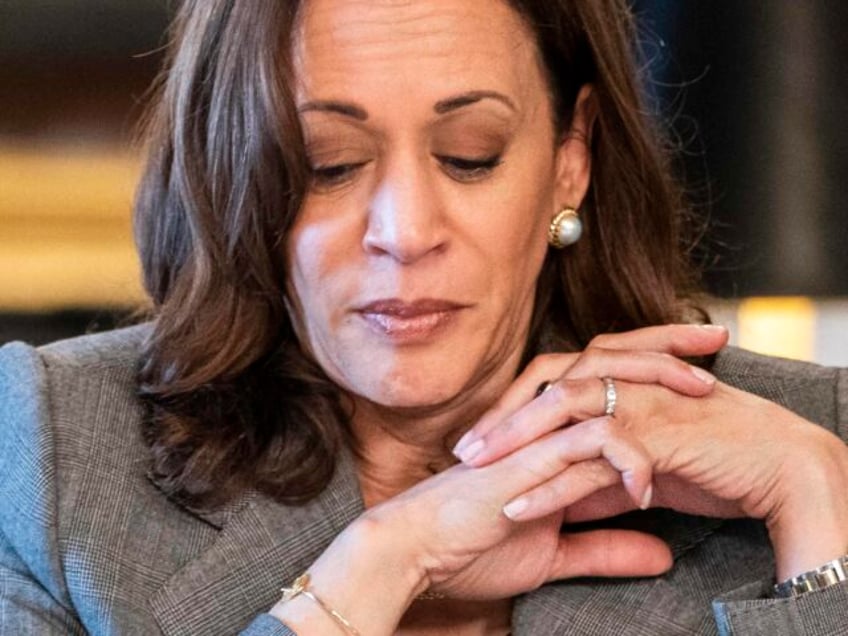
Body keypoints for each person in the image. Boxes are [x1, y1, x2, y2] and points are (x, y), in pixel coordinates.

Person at [1, 0, 847, 634]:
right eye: (329, 165)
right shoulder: (56, 462)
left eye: (469, 157)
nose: (405, 233)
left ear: (570, 160)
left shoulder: (808, 447)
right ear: (238, 175)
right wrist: (387, 560)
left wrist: (816, 512)